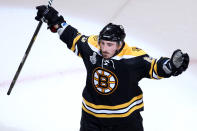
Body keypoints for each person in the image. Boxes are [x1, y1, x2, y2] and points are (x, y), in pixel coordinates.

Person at [35, 5, 189, 131]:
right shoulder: (92, 46)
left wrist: (172, 65)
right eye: (102, 43)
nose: (104, 48)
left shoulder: (132, 58)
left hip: (125, 122)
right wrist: (55, 21)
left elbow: (156, 67)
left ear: (120, 44)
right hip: (91, 120)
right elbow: (73, 37)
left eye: (109, 45)